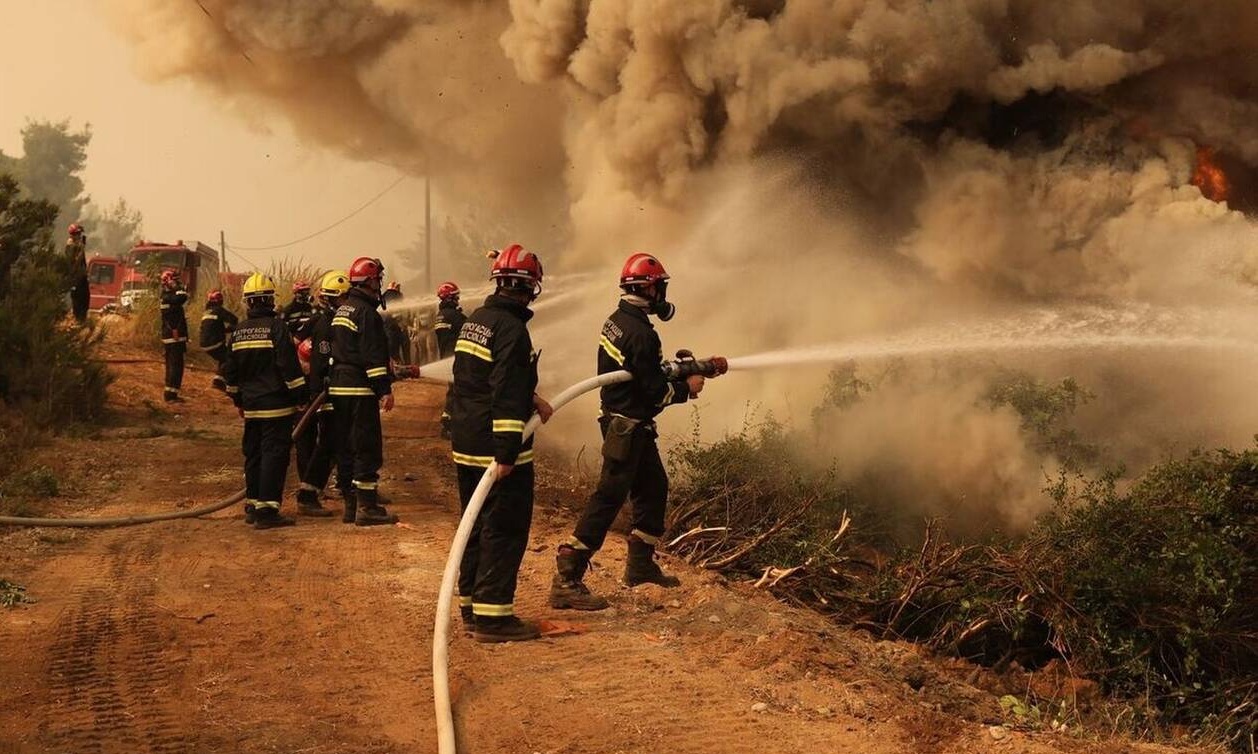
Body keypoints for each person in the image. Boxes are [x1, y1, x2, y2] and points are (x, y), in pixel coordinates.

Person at [549, 252, 725, 611]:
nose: (662, 293)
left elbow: (642, 371)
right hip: (626, 426)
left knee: (654, 487)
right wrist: (688, 387)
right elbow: (654, 391)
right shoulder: (641, 334)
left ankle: (640, 565)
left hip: (629, 423)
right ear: (647, 287)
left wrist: (681, 368)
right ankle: (567, 575)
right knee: (609, 497)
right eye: (659, 286)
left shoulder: (617, 320)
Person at [449, 244, 553, 643]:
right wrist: (508, 452)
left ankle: (472, 608)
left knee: (474, 525)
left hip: (467, 438)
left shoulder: (477, 320)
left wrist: (533, 398)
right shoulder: (513, 330)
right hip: (496, 444)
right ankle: (494, 617)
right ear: (531, 288)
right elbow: (505, 395)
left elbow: (480, 379)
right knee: (503, 528)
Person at [221, 272, 308, 530]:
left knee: (254, 454)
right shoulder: (277, 328)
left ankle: (252, 505)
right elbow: (288, 367)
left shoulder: (238, 332)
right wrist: (301, 397)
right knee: (274, 455)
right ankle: (267, 511)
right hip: (276, 406)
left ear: (248, 302)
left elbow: (230, 371)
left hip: (251, 407)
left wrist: (238, 399)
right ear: (271, 301)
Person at [329, 257, 399, 526]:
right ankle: (367, 508)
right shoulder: (367, 313)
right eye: (378, 280)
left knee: (346, 447)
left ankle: (350, 507)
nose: (379, 284)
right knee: (367, 447)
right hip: (359, 389)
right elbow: (372, 357)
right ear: (370, 281)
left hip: (339, 387)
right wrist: (384, 390)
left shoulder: (343, 309)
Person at [294, 269, 352, 519]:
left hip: (330, 393)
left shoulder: (328, 320)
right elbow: (321, 362)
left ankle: (318, 492)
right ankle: (310, 495)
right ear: (331, 299)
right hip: (327, 395)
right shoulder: (327, 324)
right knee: (333, 444)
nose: (347, 303)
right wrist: (321, 392)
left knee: (333, 445)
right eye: (343, 298)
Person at [434, 281, 465, 439]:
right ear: (450, 299)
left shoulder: (440, 316)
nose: (457, 300)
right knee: (457, 390)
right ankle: (449, 424)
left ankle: (448, 420)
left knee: (453, 389)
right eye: (455, 297)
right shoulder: (455, 316)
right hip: (455, 358)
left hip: (445, 356)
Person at [198, 289, 239, 392]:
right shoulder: (219, 310)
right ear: (219, 300)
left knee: (223, 357)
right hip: (214, 343)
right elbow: (234, 319)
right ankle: (219, 382)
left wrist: (223, 330)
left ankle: (219, 381)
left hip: (204, 344)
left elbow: (211, 327)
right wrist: (231, 329)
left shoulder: (206, 311)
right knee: (230, 357)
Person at [159, 269, 190, 403]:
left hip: (172, 335)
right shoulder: (169, 297)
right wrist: (175, 330)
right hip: (174, 335)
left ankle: (171, 392)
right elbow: (183, 296)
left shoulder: (167, 296)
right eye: (175, 280)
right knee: (175, 365)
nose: (178, 283)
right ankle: (171, 395)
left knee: (173, 365)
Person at [381, 282, 411, 365]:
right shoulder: (398, 295)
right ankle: (406, 366)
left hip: (387, 327)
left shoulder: (383, 296)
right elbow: (400, 312)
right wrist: (402, 323)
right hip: (398, 327)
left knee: (393, 351)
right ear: (395, 287)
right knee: (405, 349)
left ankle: (395, 366)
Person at [65, 223, 90, 324]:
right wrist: (81, 249)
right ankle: (78, 320)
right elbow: (74, 262)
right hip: (76, 278)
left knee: (85, 298)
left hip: (82, 277)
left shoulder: (78, 245)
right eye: (78, 234)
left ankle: (82, 319)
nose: (79, 236)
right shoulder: (71, 246)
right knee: (78, 300)